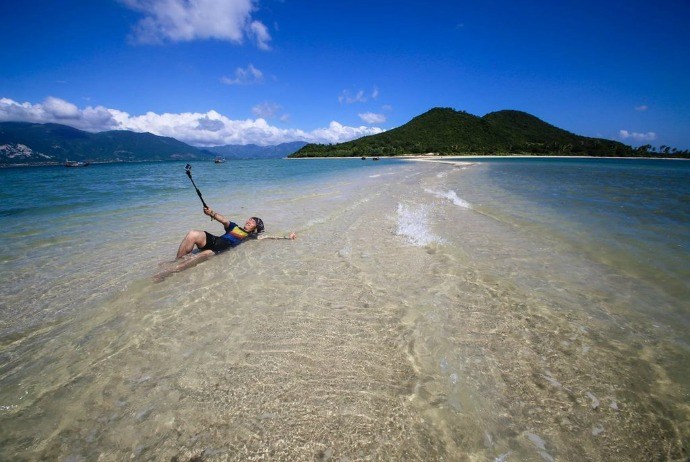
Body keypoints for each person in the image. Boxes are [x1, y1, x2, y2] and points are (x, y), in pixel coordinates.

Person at [155, 206, 296, 280]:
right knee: (192, 234)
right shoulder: (234, 227)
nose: (248, 221)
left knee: (192, 259)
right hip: (214, 241)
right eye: (249, 219)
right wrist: (211, 213)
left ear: (256, 228)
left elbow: (269, 238)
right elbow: (223, 220)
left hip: (217, 250)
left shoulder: (250, 237)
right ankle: (175, 262)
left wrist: (287, 238)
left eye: (252, 222)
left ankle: (168, 273)